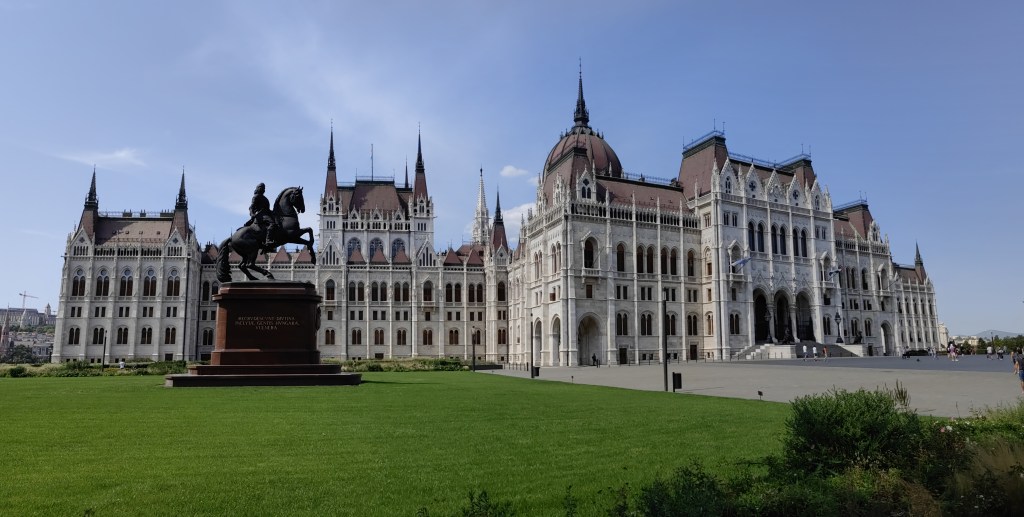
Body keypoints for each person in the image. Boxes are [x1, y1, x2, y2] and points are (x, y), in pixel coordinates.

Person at [247, 183, 278, 248]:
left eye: (263, 188)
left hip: (266, 214)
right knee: (272, 223)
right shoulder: (256, 196)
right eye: (261, 187)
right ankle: (268, 240)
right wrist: (252, 214)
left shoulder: (265, 198)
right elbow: (251, 207)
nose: (263, 189)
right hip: (261, 215)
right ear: (258, 188)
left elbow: (267, 209)